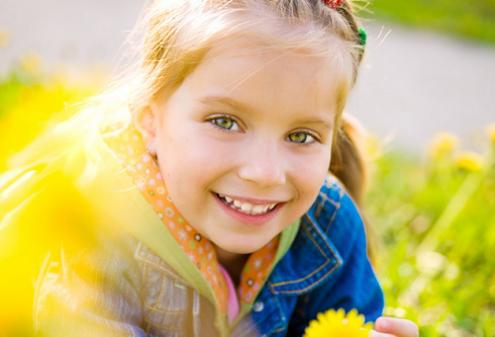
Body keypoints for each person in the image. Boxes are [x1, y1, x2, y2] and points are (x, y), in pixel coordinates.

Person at [0, 0, 419, 336]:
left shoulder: (328, 226)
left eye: (301, 135)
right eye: (225, 122)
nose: (265, 172)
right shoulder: (93, 236)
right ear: (150, 118)